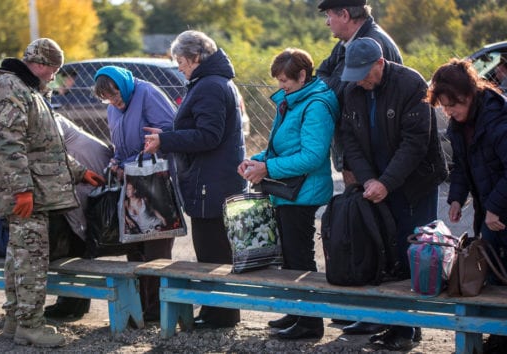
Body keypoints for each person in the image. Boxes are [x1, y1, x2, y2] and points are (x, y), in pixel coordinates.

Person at [0, 38, 105, 348]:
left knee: (19, 256)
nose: (54, 76)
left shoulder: (29, 91)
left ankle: (15, 320)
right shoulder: (10, 89)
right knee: (31, 259)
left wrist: (79, 171)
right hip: (28, 195)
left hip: (34, 191)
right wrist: (22, 190)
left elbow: (45, 147)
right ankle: (30, 325)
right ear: (42, 65)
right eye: (54, 69)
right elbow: (5, 145)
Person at [340, 37, 447, 351]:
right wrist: (369, 179)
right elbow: (351, 141)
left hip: (415, 185)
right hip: (377, 184)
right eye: (354, 73)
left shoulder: (411, 84)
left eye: (365, 72)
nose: (360, 79)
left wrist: (386, 181)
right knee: (385, 255)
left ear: (379, 63)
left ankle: (408, 328)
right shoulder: (352, 89)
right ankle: (392, 323)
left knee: (410, 252)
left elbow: (415, 143)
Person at [144, 30, 247, 329]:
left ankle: (220, 314)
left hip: (211, 183)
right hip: (212, 180)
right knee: (212, 250)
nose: (178, 66)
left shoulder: (210, 86)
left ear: (196, 57)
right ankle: (219, 311)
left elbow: (208, 135)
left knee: (212, 253)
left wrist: (166, 139)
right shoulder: (211, 82)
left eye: (181, 60)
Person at [238, 48, 339, 340]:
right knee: (290, 257)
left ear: (302, 76)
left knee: (300, 257)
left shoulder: (315, 105)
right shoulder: (294, 101)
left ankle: (309, 322)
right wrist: (254, 160)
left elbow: (311, 156)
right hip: (288, 189)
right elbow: (282, 147)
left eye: (285, 80)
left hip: (302, 192)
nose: (281, 85)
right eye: (279, 80)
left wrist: (266, 168)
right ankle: (297, 313)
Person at [426, 59, 507, 353]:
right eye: (444, 107)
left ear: (468, 94)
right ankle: (496, 337)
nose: (448, 113)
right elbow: (462, 165)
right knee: (495, 271)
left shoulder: (499, 120)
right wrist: (457, 198)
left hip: (499, 207)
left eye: (452, 106)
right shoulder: (461, 125)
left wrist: (496, 208)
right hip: (491, 208)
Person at [93, 65, 176, 322]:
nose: (114, 103)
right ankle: (139, 306)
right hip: (131, 181)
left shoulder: (147, 93)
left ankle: (159, 308)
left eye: (116, 96)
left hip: (155, 182)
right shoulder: (112, 108)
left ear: (123, 86)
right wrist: (117, 161)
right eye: (108, 99)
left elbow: (168, 132)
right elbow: (118, 143)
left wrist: (131, 160)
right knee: (135, 245)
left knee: (156, 246)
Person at [316, 0, 402, 189]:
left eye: (329, 15)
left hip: (371, 156)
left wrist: (329, 85)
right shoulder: (346, 43)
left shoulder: (370, 43)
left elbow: (341, 91)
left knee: (365, 211)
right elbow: (321, 74)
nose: (327, 22)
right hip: (358, 148)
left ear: (345, 15)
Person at [43, 114, 114, 320]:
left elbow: (52, 153)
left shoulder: (48, 118)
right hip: (82, 174)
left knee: (77, 240)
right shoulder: (47, 116)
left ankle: (72, 303)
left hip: (88, 174)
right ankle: (72, 302)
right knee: (75, 240)